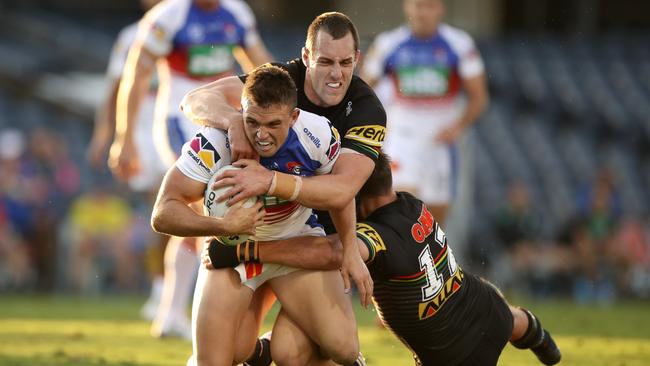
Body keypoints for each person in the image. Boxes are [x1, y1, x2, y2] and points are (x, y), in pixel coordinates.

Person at [205, 153, 562, 366]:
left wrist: (245, 250)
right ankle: (542, 341)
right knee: (512, 320)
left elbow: (333, 252)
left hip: (449, 356)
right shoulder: (410, 204)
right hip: (484, 305)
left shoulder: (378, 237)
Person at [152, 65, 364, 366]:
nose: (261, 135)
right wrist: (221, 225)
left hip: (295, 242)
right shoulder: (215, 141)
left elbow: (339, 195)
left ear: (293, 117)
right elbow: (162, 212)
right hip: (233, 250)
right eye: (252, 122)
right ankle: (261, 350)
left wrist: (350, 249)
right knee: (217, 359)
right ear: (241, 110)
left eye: (273, 124)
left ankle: (297, 330)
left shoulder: (317, 135)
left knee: (341, 349)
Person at [180, 11, 382, 297]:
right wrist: (234, 120)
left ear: (356, 60)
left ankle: (244, 253)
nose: (336, 73)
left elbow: (341, 191)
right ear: (307, 56)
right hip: (263, 218)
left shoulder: (367, 111)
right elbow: (193, 100)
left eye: (345, 62)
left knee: (336, 341)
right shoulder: (280, 81)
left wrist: (270, 181)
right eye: (325, 61)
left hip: (323, 232)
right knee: (227, 343)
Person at [108, 0, 272, 339]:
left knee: (202, 213)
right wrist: (124, 137)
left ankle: (171, 312)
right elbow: (136, 74)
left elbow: (263, 69)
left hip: (225, 119)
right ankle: (210, 318)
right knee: (206, 207)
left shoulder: (237, 13)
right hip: (179, 119)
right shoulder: (169, 16)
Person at [360, 0, 488, 224]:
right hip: (402, 134)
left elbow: (479, 96)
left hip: (439, 139)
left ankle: (423, 257)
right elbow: (363, 88)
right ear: (407, 7)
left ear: (440, 8)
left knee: (435, 219)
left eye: (429, 6)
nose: (423, 13)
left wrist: (458, 126)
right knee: (397, 206)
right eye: (418, 5)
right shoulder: (389, 43)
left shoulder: (459, 43)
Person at [86, 0, 167, 322]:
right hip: (141, 131)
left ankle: (162, 288)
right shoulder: (132, 35)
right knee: (159, 208)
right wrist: (104, 132)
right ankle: (158, 285)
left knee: (166, 204)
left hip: (174, 124)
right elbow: (115, 86)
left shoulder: (189, 32)